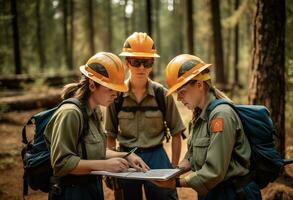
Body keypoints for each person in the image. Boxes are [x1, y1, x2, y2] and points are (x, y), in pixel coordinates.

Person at [152, 54, 262, 200]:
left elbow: (214, 171)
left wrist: (175, 183)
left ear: (199, 85)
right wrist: (172, 172)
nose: (178, 98)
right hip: (214, 193)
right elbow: (192, 156)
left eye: (182, 92)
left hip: (233, 194)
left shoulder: (221, 116)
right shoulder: (199, 116)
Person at [44, 52, 149, 200]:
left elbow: (93, 151)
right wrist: (105, 165)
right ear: (92, 85)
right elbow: (61, 163)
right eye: (110, 89)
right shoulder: (70, 114)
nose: (115, 95)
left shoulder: (94, 112)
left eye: (117, 90)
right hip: (71, 192)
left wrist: (126, 155)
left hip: (91, 188)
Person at [105, 32, 186, 200]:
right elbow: (110, 136)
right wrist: (109, 167)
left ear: (152, 64)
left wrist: (173, 168)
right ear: (127, 63)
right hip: (126, 159)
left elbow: (177, 133)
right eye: (136, 62)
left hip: (157, 156)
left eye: (147, 62)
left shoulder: (162, 95)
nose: (142, 68)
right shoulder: (116, 96)